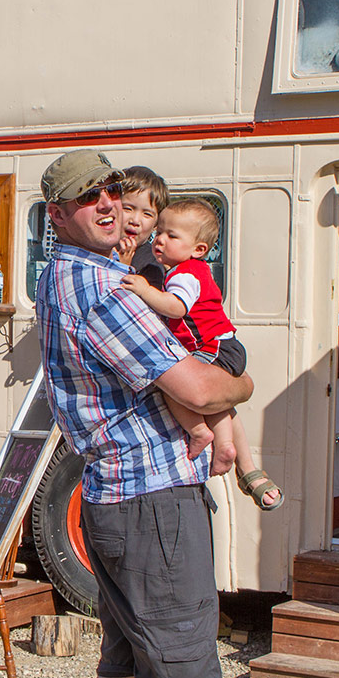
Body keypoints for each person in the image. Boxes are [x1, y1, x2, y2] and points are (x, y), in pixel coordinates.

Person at [35, 150, 253, 678]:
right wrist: (243, 384)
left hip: (112, 495)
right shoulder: (102, 290)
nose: (105, 204)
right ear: (56, 214)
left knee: (123, 666)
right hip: (151, 501)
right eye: (87, 197)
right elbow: (200, 388)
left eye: (109, 189)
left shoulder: (59, 275)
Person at [121, 199, 282, 510]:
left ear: (199, 249)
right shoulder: (183, 270)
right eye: (160, 233)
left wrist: (143, 290)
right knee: (218, 401)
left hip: (213, 347)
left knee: (173, 387)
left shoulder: (185, 274)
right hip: (224, 346)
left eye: (172, 235)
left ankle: (200, 433)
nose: (161, 240)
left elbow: (176, 307)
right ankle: (226, 447)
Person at [116, 165, 167, 291]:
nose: (135, 221)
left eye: (147, 214)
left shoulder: (152, 263)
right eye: (127, 209)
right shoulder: (98, 249)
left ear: (156, 224)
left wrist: (122, 268)